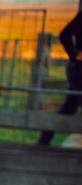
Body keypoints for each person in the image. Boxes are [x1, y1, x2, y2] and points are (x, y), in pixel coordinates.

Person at [39, 9, 82, 145]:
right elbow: (65, 34)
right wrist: (75, 55)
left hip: (77, 70)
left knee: (68, 108)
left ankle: (44, 141)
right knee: (70, 109)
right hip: (79, 71)